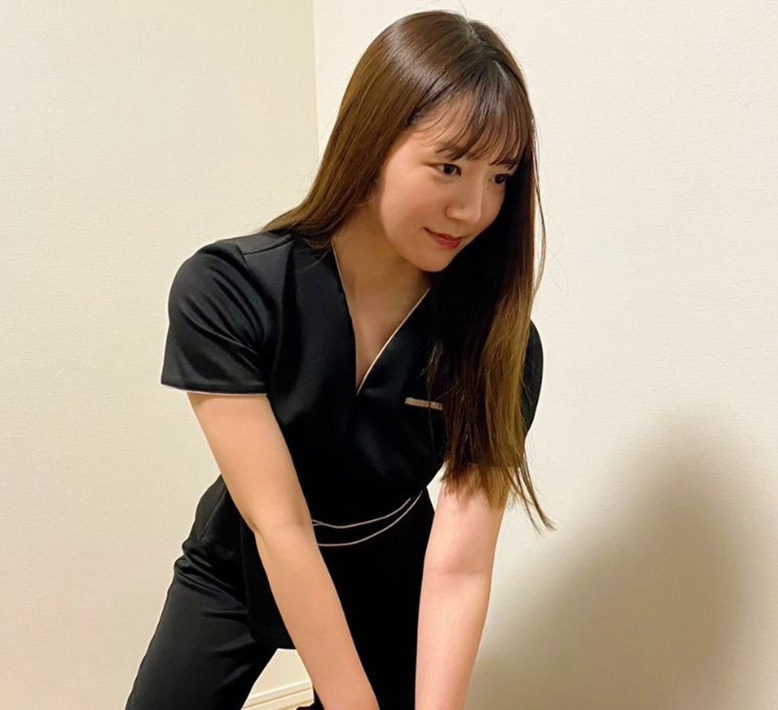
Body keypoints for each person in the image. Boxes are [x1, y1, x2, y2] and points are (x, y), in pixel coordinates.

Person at [124, 9, 555, 710]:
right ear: (372, 141)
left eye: (501, 177)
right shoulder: (229, 289)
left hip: (392, 567)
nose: (474, 208)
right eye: (449, 166)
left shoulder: (502, 345)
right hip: (243, 558)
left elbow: (460, 568)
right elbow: (281, 526)